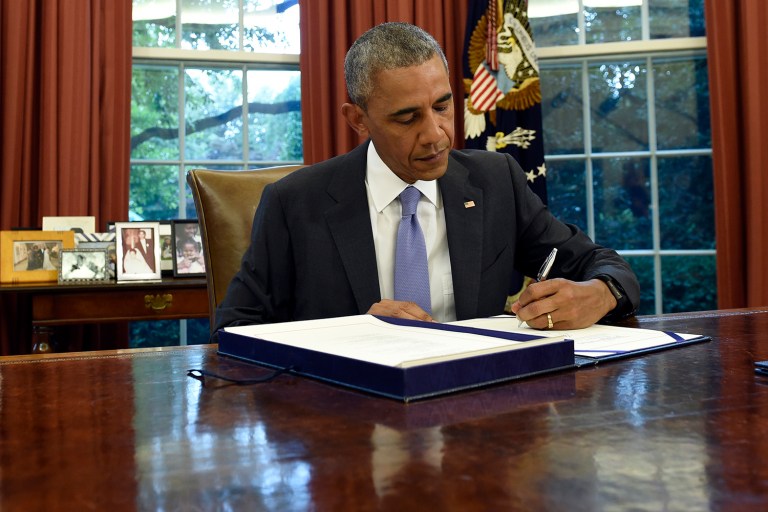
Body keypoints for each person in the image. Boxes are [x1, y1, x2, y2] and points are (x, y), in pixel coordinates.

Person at [213, 22, 640, 336]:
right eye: (407, 118)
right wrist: (351, 333)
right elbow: (232, 331)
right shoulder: (294, 203)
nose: (435, 134)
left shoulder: (495, 180)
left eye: (442, 106)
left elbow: (602, 264)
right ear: (358, 119)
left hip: (476, 410)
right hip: (346, 417)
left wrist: (600, 293)